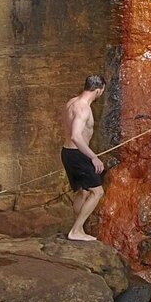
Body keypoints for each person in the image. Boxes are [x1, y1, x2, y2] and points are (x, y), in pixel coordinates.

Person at [60, 74, 108, 241]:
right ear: (98, 90)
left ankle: (78, 228)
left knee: (83, 192)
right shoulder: (83, 108)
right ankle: (75, 231)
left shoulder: (71, 102)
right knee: (97, 192)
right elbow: (76, 135)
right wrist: (93, 157)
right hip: (78, 154)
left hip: (68, 152)